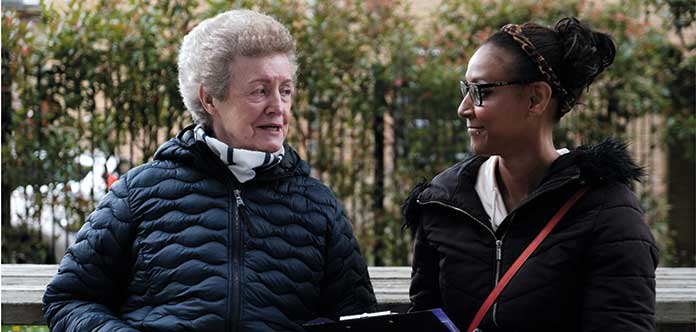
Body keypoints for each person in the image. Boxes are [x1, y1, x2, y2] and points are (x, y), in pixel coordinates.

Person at [43, 9, 376, 332]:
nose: (279, 107)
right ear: (209, 99)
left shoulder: (317, 205)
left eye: (285, 90)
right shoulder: (139, 193)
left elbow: (358, 320)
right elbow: (70, 299)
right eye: (260, 91)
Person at [403, 17, 659, 331]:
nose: (464, 108)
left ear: (536, 98)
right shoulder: (441, 204)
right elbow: (425, 318)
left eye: (481, 91)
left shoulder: (608, 213)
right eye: (465, 89)